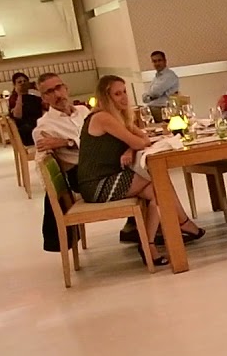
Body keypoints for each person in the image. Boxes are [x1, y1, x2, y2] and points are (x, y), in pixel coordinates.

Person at [77, 75, 205, 266]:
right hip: (97, 184)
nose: (123, 98)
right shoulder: (102, 117)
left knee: (157, 191)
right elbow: (139, 141)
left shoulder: (116, 116)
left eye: (124, 92)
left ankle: (149, 243)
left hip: (109, 177)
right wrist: (133, 144)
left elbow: (142, 138)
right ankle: (182, 224)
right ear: (106, 97)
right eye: (117, 94)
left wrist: (130, 148)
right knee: (159, 181)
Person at [32, 72, 90, 253]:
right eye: (50, 92)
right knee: (144, 177)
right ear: (44, 98)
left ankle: (140, 228)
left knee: (144, 169)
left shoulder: (83, 112)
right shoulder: (44, 127)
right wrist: (71, 143)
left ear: (66, 88)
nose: (57, 95)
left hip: (101, 165)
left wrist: (67, 142)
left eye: (58, 88)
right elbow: (42, 165)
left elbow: (97, 141)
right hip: (83, 178)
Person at [8, 72, 44, 147]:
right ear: (15, 85)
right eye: (19, 82)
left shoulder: (33, 98)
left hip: (39, 127)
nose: (23, 83)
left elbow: (49, 105)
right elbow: (17, 116)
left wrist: (39, 89)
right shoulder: (14, 99)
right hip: (27, 132)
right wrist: (19, 94)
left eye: (25, 81)